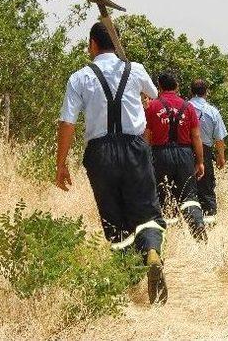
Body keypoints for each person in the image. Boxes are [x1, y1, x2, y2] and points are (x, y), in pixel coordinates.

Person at [55, 22, 168, 305]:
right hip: (134, 148)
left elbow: (67, 122)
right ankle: (152, 252)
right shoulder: (135, 69)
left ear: (93, 44)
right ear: (116, 44)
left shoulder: (79, 77)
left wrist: (61, 163)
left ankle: (128, 277)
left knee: (113, 218)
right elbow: (155, 95)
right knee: (147, 212)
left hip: (100, 153)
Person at [144, 72, 207, 242]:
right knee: (188, 195)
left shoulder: (152, 107)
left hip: (160, 154)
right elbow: (196, 137)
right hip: (185, 154)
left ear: (159, 87)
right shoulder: (188, 107)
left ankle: (171, 236)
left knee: (164, 195)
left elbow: (146, 137)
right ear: (177, 86)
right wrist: (200, 161)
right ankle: (197, 224)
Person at [189, 79, 228, 224]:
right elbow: (219, 138)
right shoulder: (213, 111)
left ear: (191, 91)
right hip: (204, 151)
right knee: (206, 188)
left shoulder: (184, 107)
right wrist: (221, 157)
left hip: (185, 150)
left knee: (186, 187)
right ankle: (209, 221)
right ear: (206, 92)